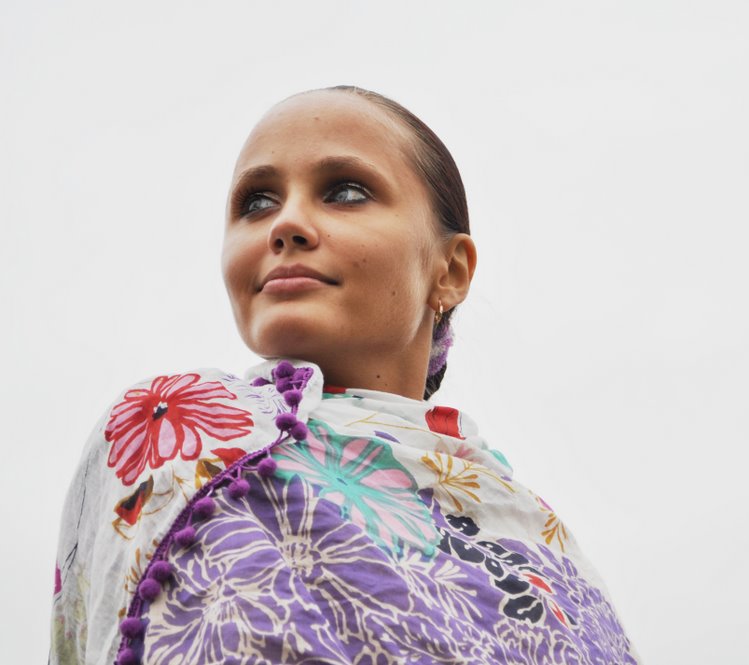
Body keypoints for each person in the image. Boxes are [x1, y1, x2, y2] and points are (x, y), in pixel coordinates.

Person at [50, 86, 640, 664]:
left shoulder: (550, 559)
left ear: (451, 270)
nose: (286, 224)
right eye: (256, 202)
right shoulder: (172, 430)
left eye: (346, 192)